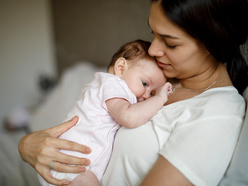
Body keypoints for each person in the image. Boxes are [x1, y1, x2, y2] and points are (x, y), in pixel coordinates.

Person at [18, 0, 248, 185]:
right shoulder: (157, 74)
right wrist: (26, 145)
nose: (154, 49)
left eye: (170, 43)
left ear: (212, 43)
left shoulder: (218, 111)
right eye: (153, 33)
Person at [38, 39, 172, 186]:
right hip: (70, 165)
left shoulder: (117, 91)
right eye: (145, 83)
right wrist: (159, 98)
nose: (147, 96)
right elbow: (128, 117)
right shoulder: (112, 84)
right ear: (121, 68)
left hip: (77, 167)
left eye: (152, 93)